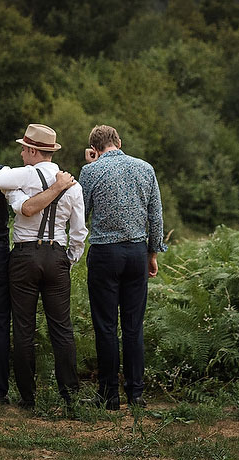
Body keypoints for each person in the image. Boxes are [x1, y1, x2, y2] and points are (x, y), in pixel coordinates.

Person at [0, 123, 87, 410]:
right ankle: (70, 397)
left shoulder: (23, 175)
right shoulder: (73, 185)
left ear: (34, 151)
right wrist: (68, 259)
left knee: (23, 328)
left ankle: (28, 398)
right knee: (62, 328)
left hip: (24, 256)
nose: (22, 153)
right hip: (57, 255)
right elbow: (79, 232)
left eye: (25, 148)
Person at [78, 124, 165, 410]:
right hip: (137, 252)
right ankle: (135, 393)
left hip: (105, 253)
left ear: (94, 148)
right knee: (133, 326)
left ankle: (109, 395)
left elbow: (84, 210)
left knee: (105, 326)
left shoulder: (90, 172)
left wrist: (91, 166)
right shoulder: (145, 168)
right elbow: (156, 217)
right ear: (119, 142)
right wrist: (152, 254)